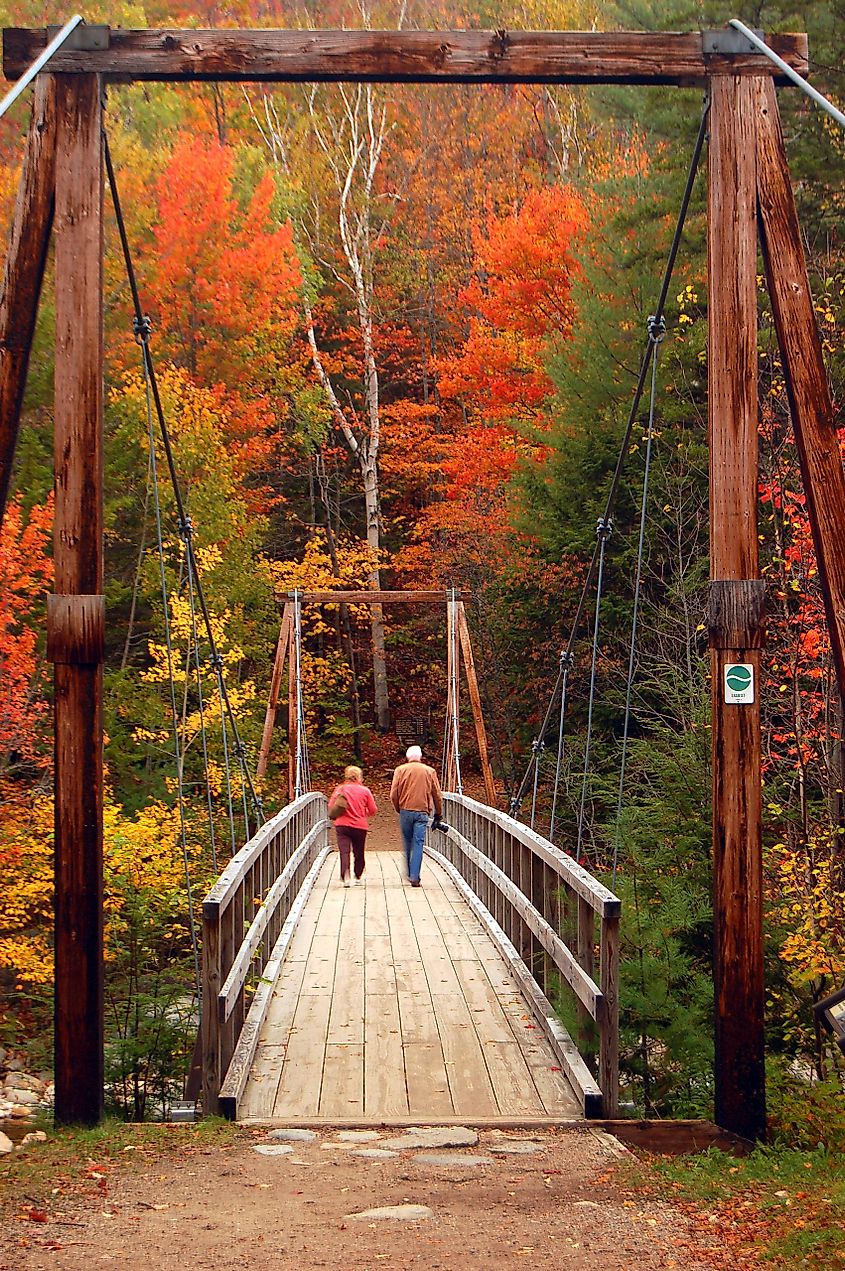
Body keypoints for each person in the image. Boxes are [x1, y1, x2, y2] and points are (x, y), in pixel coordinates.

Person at [389, 744, 443, 888]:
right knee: (418, 843)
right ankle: (415, 876)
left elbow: (393, 793)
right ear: (420, 757)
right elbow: (437, 795)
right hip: (422, 812)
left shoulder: (400, 770)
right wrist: (438, 813)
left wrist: (398, 808)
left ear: (408, 757)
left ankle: (409, 873)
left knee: (407, 842)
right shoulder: (430, 771)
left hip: (405, 810)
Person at [329, 765, 377, 887]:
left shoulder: (340, 789)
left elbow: (331, 806)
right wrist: (363, 813)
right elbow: (373, 810)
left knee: (344, 851)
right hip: (360, 826)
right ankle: (358, 876)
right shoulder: (365, 791)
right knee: (359, 851)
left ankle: (345, 875)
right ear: (359, 777)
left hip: (342, 825)